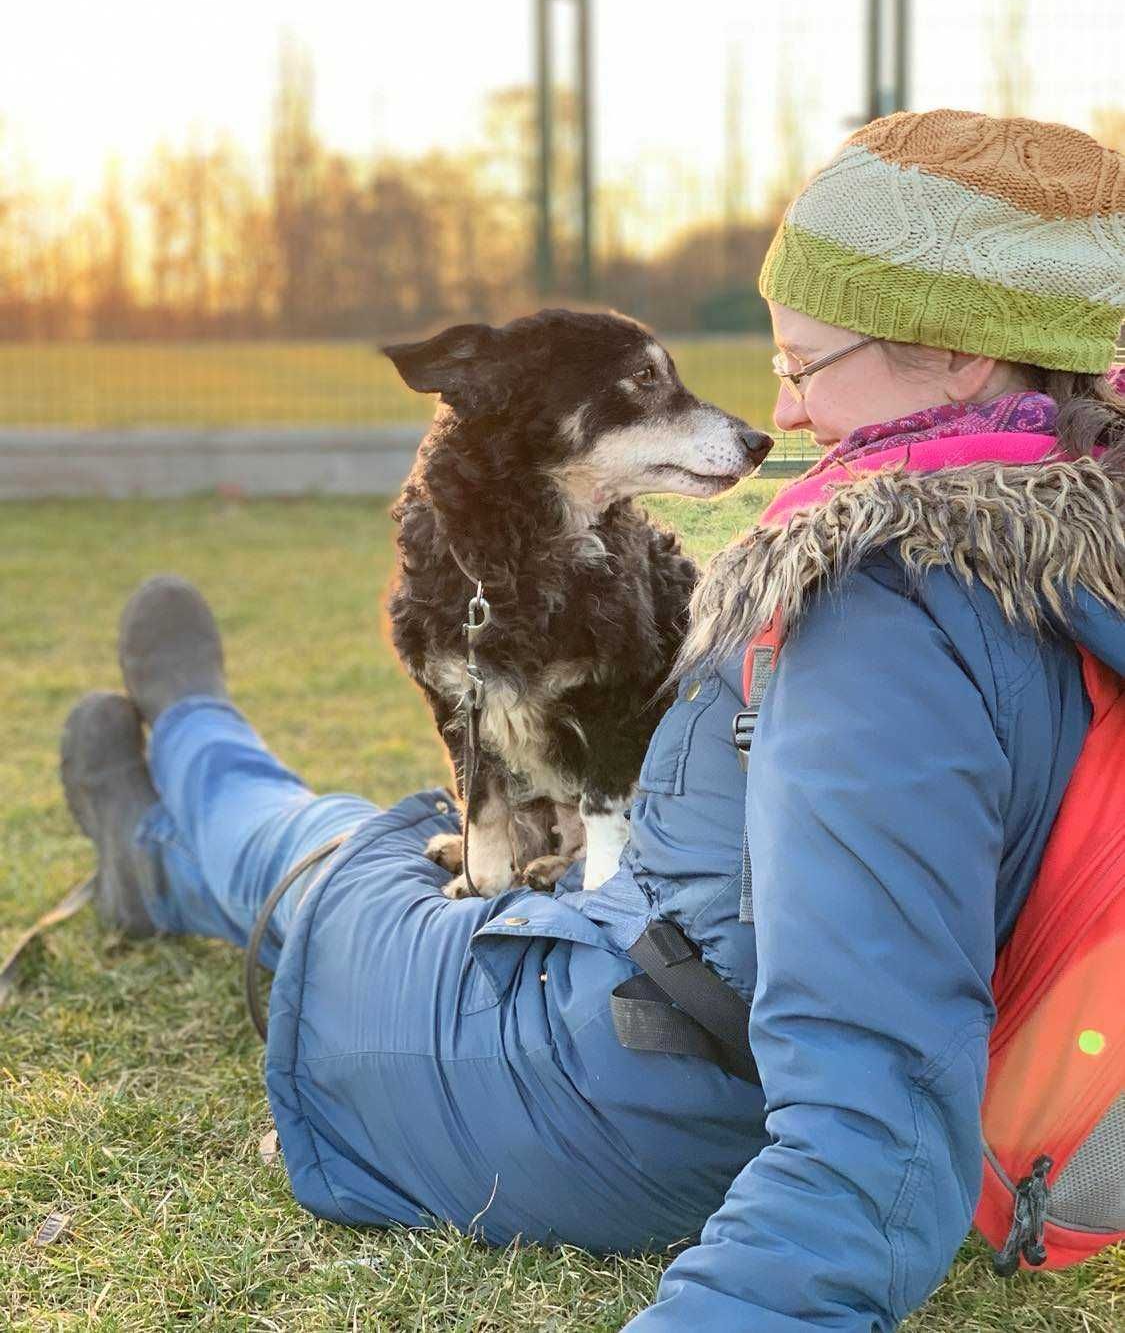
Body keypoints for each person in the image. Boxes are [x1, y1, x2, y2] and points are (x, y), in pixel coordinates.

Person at [60, 110, 1125, 1331]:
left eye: (809, 361)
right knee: (431, 842)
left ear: (962, 357)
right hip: (670, 999)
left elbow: (868, 1138)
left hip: (606, 1092)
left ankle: (182, 772)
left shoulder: (882, 610)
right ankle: (173, 806)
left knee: (344, 867)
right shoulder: (1073, 534)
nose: (787, 400)